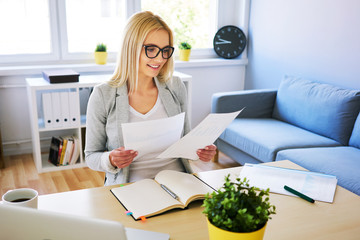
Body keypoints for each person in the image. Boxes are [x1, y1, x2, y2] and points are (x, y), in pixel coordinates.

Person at [85, 11, 217, 186]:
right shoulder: (103, 95)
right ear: (130, 48)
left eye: (165, 50)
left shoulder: (176, 87)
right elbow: (91, 156)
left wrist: (200, 151)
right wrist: (110, 159)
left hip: (178, 181)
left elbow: (186, 140)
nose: (160, 58)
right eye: (151, 49)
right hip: (131, 186)